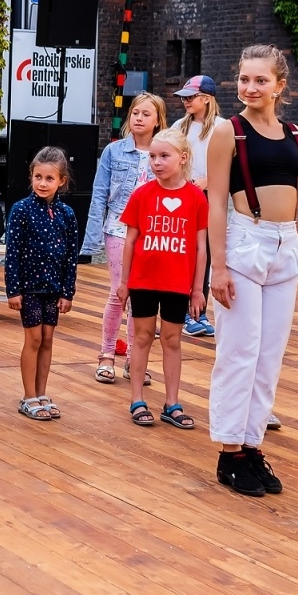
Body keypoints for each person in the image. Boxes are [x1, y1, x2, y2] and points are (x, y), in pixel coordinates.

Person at [205, 44, 298, 498]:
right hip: (243, 241)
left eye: (260, 80)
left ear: (279, 85)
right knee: (239, 351)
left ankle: (251, 445)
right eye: (244, 80)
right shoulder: (227, 133)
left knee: (269, 355)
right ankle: (228, 453)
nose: (250, 88)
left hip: (286, 244)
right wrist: (218, 266)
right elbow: (213, 203)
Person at [116, 129, 206, 430]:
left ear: (183, 158)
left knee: (172, 340)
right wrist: (124, 281)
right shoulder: (142, 194)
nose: (156, 162)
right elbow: (130, 241)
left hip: (177, 283)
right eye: (152, 156)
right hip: (143, 280)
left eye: (164, 156)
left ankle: (171, 402)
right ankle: (137, 398)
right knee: (141, 338)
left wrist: (197, 289)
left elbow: (200, 246)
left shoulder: (196, 198)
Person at [81, 93, 166, 383]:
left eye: (146, 114)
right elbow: (99, 195)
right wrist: (91, 240)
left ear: (158, 121)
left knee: (142, 297)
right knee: (120, 291)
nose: (139, 118)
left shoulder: (164, 151)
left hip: (153, 232)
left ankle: (134, 358)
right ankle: (106, 354)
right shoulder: (114, 152)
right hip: (118, 228)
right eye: (135, 113)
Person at [5, 147, 79, 421]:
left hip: (54, 287)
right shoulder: (21, 210)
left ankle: (41, 392)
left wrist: (67, 291)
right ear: (31, 177)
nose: (43, 183)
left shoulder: (67, 214)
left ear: (61, 181)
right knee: (33, 338)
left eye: (49, 178)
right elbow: (12, 252)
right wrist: (13, 290)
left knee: (48, 339)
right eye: (38, 177)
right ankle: (28, 396)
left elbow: (72, 255)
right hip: (30, 287)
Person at [172, 74, 223, 337]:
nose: (186, 102)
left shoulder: (223, 127)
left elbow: (233, 166)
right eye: (184, 97)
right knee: (184, 254)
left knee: (206, 255)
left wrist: (208, 180)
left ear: (207, 98)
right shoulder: (179, 126)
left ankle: (196, 312)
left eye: (191, 97)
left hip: (212, 199)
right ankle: (178, 312)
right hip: (183, 196)